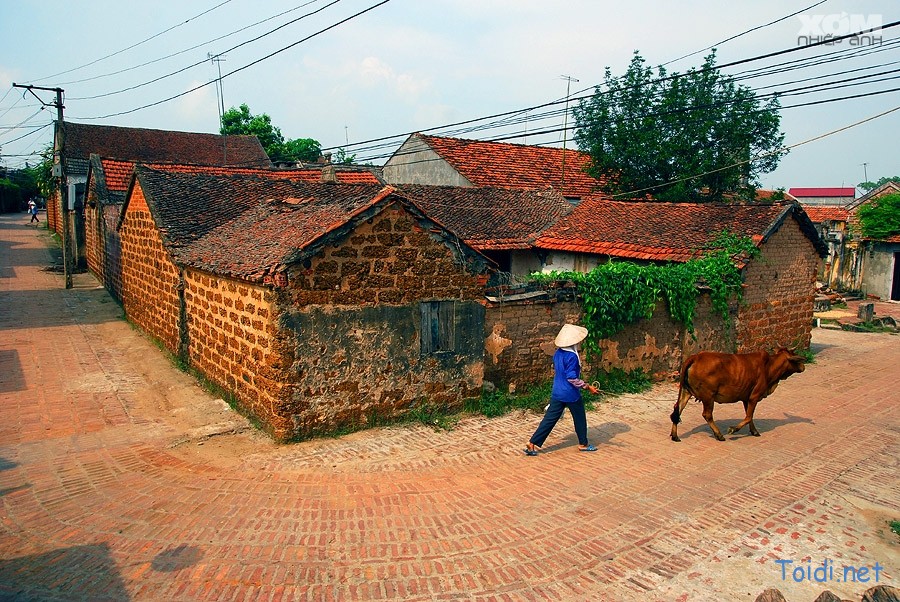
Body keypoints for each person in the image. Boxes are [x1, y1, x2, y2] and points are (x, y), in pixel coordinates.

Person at [524, 323, 600, 456]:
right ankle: (583, 444)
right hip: (570, 394)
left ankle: (532, 443)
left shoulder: (558, 353)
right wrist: (587, 387)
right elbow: (571, 378)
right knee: (580, 418)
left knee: (549, 419)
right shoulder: (572, 357)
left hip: (557, 392)